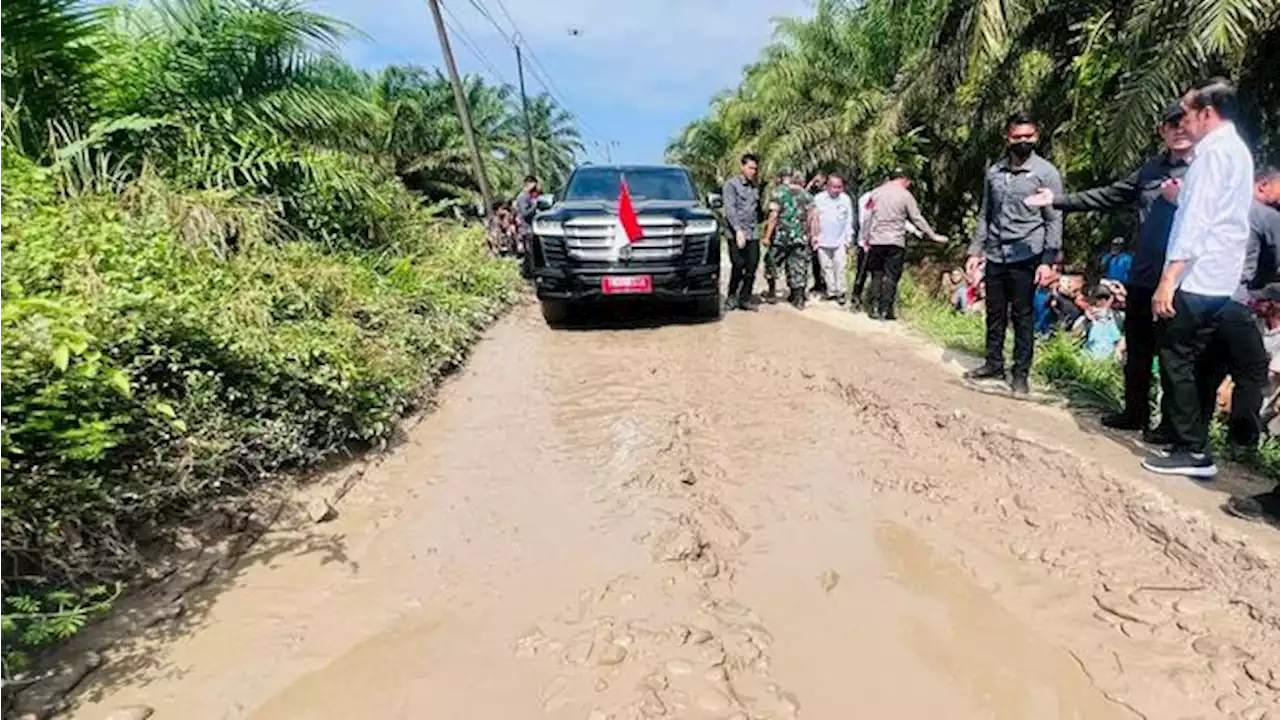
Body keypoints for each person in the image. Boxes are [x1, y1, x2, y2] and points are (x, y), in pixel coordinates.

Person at [1026, 104, 1194, 438]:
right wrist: (1057, 201)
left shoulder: (1207, 170)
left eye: (1184, 122)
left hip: (1182, 278)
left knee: (1177, 357)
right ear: (1161, 131)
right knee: (1138, 349)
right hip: (1144, 275)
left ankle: (1176, 429)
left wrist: (1182, 197)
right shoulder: (1151, 170)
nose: (1178, 129)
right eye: (1170, 124)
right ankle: (1135, 413)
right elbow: (1108, 195)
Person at [1143, 78, 1254, 479]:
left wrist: (1168, 279)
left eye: (1187, 114)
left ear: (1207, 113)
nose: (1183, 123)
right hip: (1219, 277)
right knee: (1196, 363)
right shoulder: (1236, 151)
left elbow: (1195, 221)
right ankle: (1185, 438)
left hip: (1196, 275)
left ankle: (1191, 449)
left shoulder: (1212, 156)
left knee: (1175, 359)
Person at [964, 112, 1064, 395]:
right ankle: (993, 363)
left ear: (1036, 137)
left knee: (1022, 315)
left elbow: (1053, 218)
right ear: (1007, 137)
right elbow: (986, 213)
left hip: (1027, 254)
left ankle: (1020, 373)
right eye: (1017, 137)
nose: (1023, 141)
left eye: (1028, 136)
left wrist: (1048, 260)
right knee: (994, 312)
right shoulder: (994, 172)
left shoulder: (1046, 173)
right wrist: (975, 250)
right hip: (996, 252)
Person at [1190, 169, 1280, 453]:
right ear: (1263, 186)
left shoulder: (1220, 205)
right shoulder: (1265, 215)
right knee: (1253, 370)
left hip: (1205, 295)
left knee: (1208, 367)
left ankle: (1193, 434)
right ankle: (1242, 441)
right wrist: (1263, 292)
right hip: (1238, 299)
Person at [863, 169, 948, 319]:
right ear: (904, 179)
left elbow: (868, 216)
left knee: (876, 273)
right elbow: (916, 218)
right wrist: (932, 235)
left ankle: (874, 307)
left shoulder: (876, 193)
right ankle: (886, 310)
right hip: (895, 241)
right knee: (891, 275)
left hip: (877, 240)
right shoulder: (905, 195)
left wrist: (865, 237)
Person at [760, 167, 815, 309]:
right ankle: (799, 299)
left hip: (781, 237)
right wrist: (808, 234)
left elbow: (773, 216)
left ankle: (772, 293)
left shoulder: (778, 193)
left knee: (771, 262)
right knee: (798, 266)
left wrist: (766, 236)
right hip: (799, 237)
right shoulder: (806, 195)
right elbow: (812, 217)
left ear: (780, 177)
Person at [723, 153, 764, 311]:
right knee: (738, 264)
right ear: (742, 167)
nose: (753, 171)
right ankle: (732, 296)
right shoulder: (731, 185)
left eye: (755, 169)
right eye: (750, 168)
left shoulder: (755, 187)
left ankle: (745, 298)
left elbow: (757, 211)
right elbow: (730, 209)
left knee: (752, 266)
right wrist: (738, 231)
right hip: (736, 232)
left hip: (752, 232)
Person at [812, 174, 856, 304]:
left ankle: (841, 291)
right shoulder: (818, 199)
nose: (837, 190)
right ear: (827, 187)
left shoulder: (845, 199)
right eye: (834, 187)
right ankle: (831, 291)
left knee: (840, 266)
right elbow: (814, 219)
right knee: (826, 267)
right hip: (822, 239)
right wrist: (814, 236)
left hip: (840, 240)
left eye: (839, 187)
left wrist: (849, 238)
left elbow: (849, 220)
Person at [1075, 285, 1124, 360]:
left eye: (1104, 299)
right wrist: (1086, 321)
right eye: (1096, 301)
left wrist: (1120, 348)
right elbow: (1071, 340)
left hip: (1113, 366)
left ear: (1110, 300)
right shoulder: (1083, 320)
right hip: (1090, 365)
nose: (1100, 303)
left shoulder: (1120, 318)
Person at [850, 186, 875, 310]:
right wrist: (865, 239)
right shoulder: (867, 198)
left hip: (879, 241)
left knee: (877, 273)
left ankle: (873, 300)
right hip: (866, 242)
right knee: (862, 272)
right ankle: (856, 298)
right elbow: (864, 219)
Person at [806, 172, 829, 296]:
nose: (816, 184)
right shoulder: (812, 193)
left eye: (818, 181)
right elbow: (804, 195)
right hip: (814, 232)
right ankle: (817, 283)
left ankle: (826, 284)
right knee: (815, 260)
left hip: (825, 232)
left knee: (825, 261)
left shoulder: (826, 195)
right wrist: (811, 183)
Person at [515, 175, 540, 256]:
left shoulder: (529, 196)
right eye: (534, 184)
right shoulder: (523, 197)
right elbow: (524, 213)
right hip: (526, 229)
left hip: (530, 229)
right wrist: (535, 206)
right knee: (530, 254)